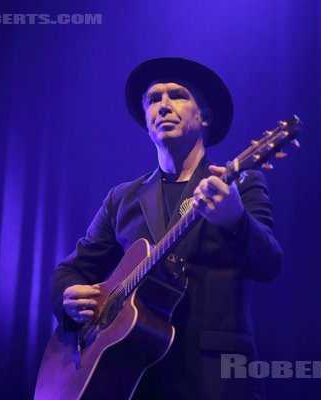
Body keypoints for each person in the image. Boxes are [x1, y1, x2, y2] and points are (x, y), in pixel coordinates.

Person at [51, 57, 283, 399]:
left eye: (176, 95)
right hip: (135, 380)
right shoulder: (122, 198)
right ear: (147, 122)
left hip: (216, 380)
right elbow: (71, 271)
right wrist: (67, 301)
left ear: (204, 117)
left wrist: (236, 220)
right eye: (153, 99)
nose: (163, 106)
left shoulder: (240, 184)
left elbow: (269, 264)